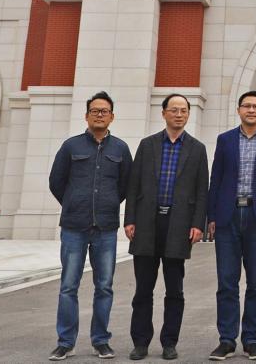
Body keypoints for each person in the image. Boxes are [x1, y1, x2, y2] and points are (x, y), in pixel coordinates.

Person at [48, 91, 133, 361]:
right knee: (68, 286)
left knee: (104, 286)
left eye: (104, 111)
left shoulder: (120, 149)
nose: (99, 115)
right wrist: (73, 203)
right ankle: (65, 342)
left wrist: (108, 203)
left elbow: (125, 185)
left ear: (112, 117)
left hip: (105, 228)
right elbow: (56, 181)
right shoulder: (71, 146)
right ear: (86, 116)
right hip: (74, 227)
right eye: (95, 111)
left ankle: (100, 341)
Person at [124, 93, 208, 361]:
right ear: (164, 113)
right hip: (147, 224)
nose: (179, 114)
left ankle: (169, 342)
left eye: (183, 110)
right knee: (143, 290)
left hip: (178, 226)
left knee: (175, 290)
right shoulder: (147, 145)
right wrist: (130, 219)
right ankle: (140, 343)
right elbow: (133, 185)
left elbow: (202, 191)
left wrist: (198, 224)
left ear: (188, 114)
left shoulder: (197, 149)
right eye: (174, 110)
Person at [206, 90, 256, 361]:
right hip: (227, 217)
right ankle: (227, 340)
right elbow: (216, 179)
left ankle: (251, 340)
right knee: (227, 282)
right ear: (239, 110)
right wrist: (211, 216)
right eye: (247, 106)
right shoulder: (225, 140)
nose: (251, 110)